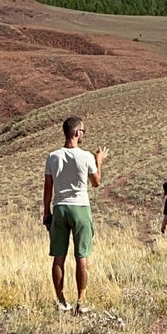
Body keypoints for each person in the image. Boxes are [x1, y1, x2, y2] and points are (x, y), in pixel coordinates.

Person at [43, 115, 108, 314]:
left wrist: (47, 212)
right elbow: (96, 182)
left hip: (60, 206)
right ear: (77, 133)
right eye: (83, 131)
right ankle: (81, 300)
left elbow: (48, 188)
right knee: (82, 255)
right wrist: (99, 160)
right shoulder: (86, 156)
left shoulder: (53, 157)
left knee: (59, 257)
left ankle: (61, 299)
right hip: (80, 207)